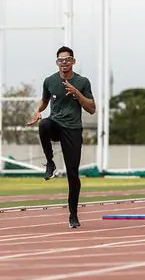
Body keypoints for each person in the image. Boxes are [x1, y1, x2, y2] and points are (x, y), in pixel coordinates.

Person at [26, 46, 96, 229]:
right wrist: (37, 111)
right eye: (60, 60)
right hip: (56, 124)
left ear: (73, 61)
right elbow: (44, 101)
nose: (64, 63)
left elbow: (91, 108)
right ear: (56, 62)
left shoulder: (82, 82)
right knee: (44, 124)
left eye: (67, 59)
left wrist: (77, 93)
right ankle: (50, 162)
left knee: (73, 175)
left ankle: (73, 214)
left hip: (72, 130)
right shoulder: (49, 81)